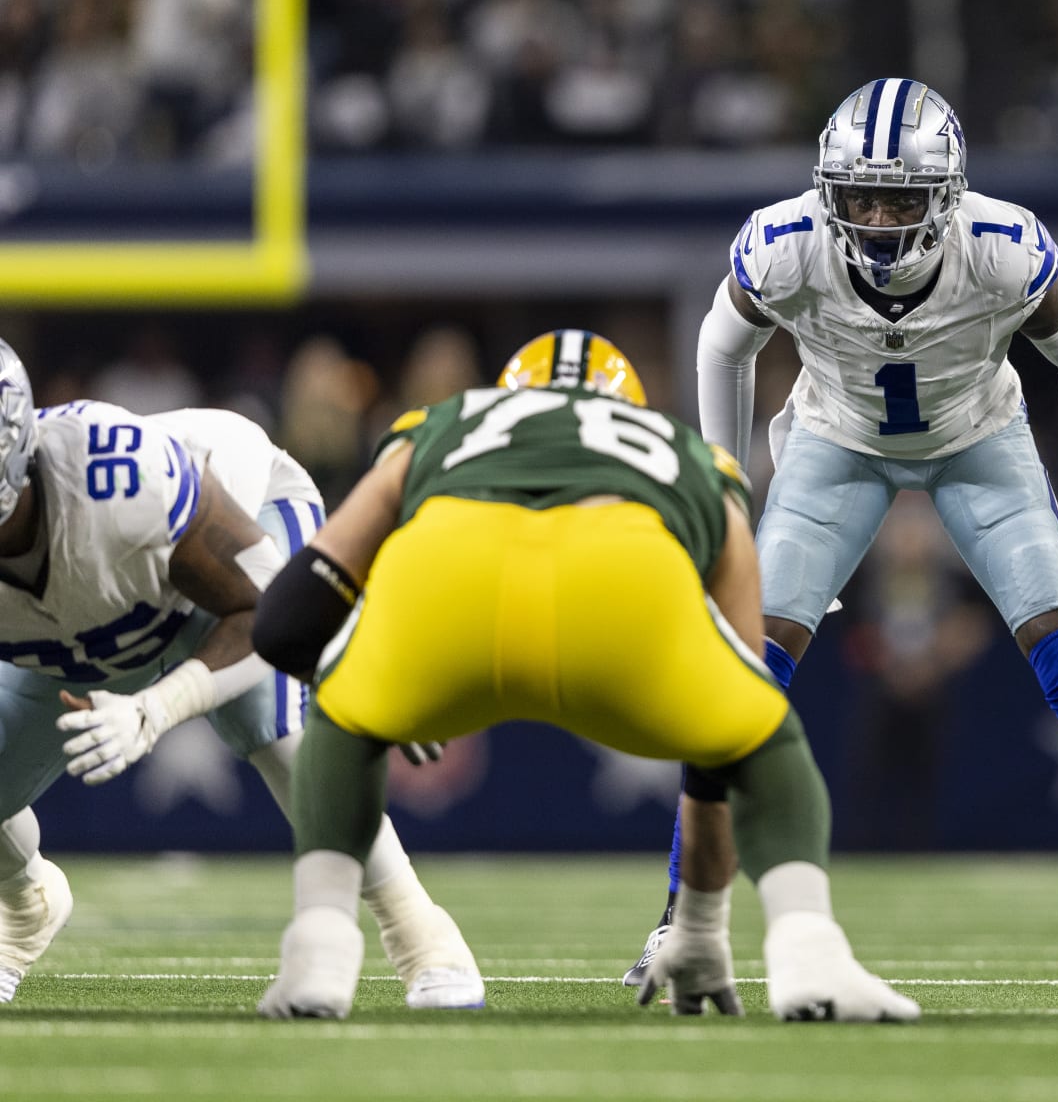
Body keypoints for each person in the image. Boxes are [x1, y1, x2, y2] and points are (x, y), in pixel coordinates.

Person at [625, 78, 1058, 991]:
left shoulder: (1000, 246)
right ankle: (683, 923)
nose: (874, 217)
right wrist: (725, 501)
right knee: (742, 678)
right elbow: (722, 345)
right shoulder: (787, 243)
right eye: (858, 195)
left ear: (944, 196)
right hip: (835, 444)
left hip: (977, 442)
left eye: (898, 197)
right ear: (828, 189)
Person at [252, 330, 917, 1022]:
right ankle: (811, 954)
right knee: (764, 739)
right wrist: (697, 925)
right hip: (623, 585)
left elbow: (285, 623)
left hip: (453, 576)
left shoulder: (438, 424)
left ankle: (319, 958)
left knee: (341, 715)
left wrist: (360, 698)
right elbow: (722, 753)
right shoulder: (693, 455)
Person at [0, 341, 482, 1008]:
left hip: (244, 540)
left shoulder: (117, 480)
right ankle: (24, 906)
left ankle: (420, 932)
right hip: (78, 626)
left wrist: (155, 710)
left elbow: (268, 607)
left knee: (273, 725)